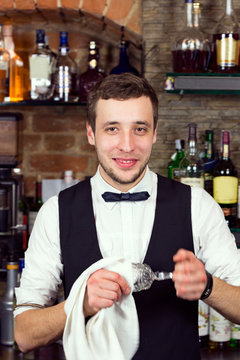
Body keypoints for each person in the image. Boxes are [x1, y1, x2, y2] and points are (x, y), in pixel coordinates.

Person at [14, 73, 240, 359]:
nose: (127, 145)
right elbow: (23, 334)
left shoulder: (198, 205)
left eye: (140, 129)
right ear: (90, 133)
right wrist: (79, 305)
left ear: (155, 132)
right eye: (112, 129)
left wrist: (209, 285)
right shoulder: (55, 212)